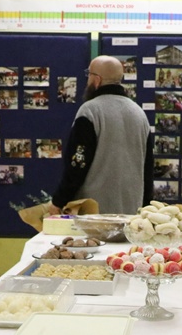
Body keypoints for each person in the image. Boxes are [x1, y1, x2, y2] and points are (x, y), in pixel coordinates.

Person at [51, 55, 153, 215]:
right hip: (131, 213)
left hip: (94, 214)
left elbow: (78, 163)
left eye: (89, 75)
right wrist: (145, 209)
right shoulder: (139, 114)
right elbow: (148, 168)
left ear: (97, 80)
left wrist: (59, 200)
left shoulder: (90, 111)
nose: (87, 81)